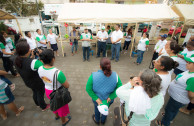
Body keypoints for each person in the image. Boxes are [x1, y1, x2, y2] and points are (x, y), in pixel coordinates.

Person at [156, 56, 194, 126]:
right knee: (173, 110)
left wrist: (192, 99)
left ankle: (164, 123)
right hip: (177, 97)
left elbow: (191, 94)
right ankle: (170, 118)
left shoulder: (192, 78)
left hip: (178, 99)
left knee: (169, 109)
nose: (186, 64)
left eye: (189, 63)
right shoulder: (189, 72)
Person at [13, 39, 49, 111]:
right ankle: (43, 106)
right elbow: (44, 67)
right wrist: (41, 55)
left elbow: (26, 64)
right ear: (26, 51)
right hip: (37, 82)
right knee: (40, 94)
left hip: (28, 82)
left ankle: (37, 104)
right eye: (29, 48)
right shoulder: (33, 62)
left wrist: (31, 56)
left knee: (35, 92)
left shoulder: (16, 60)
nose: (30, 50)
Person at [38, 49, 71, 126]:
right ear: (53, 59)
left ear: (42, 60)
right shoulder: (57, 72)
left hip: (48, 91)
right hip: (58, 93)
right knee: (61, 106)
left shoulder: (39, 69)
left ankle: (56, 116)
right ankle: (64, 121)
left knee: (53, 103)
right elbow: (67, 85)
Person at [86, 58, 122, 125]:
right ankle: (103, 120)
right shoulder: (116, 75)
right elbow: (120, 87)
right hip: (108, 100)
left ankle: (97, 120)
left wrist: (96, 99)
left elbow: (88, 89)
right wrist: (111, 96)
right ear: (110, 66)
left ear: (100, 66)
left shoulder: (93, 76)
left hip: (97, 100)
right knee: (106, 109)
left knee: (97, 110)